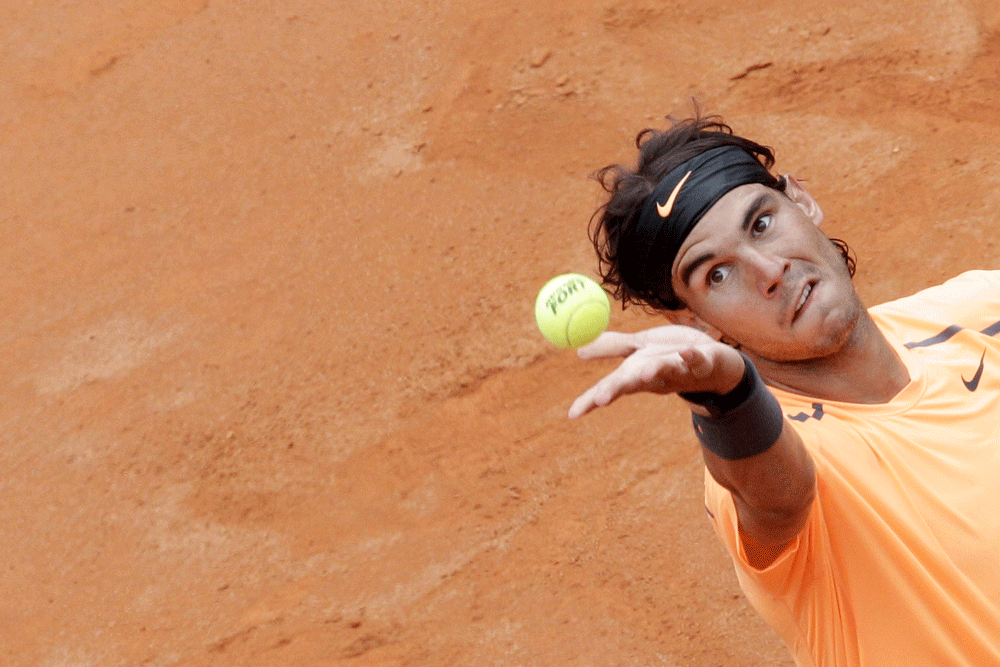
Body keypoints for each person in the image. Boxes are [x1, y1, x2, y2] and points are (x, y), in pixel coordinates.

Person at [570, 115, 1000, 666]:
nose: (768, 271)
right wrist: (727, 396)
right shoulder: (773, 456)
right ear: (692, 319)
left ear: (801, 199)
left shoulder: (979, 312)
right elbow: (778, 501)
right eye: (717, 276)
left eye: (761, 224)